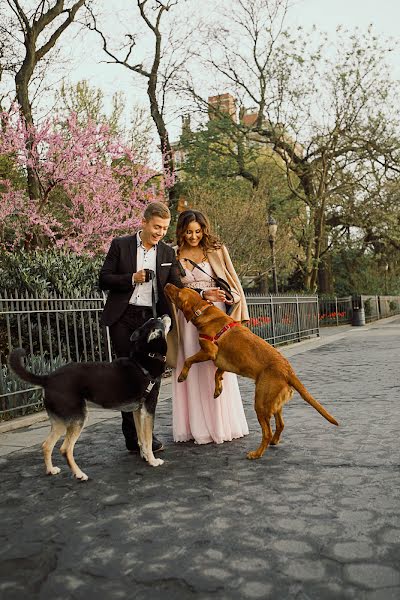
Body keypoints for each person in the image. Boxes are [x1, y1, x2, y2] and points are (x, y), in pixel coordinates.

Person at [99, 201, 182, 453]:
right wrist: (131, 279)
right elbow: (103, 279)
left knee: (153, 378)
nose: (160, 232)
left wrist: (204, 294)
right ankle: (131, 436)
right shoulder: (120, 245)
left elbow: (177, 287)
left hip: (151, 321)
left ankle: (147, 434)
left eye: (165, 228)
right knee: (127, 376)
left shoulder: (167, 253)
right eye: (157, 227)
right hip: (123, 318)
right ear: (144, 222)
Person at [171, 209, 250, 445]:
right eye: (188, 232)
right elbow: (173, 287)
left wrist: (228, 296)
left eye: (197, 231)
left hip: (215, 316)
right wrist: (202, 293)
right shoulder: (173, 253)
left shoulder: (216, 250)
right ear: (181, 232)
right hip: (188, 318)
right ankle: (194, 427)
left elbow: (233, 282)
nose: (193, 237)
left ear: (204, 230)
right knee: (192, 364)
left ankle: (222, 424)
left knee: (216, 363)